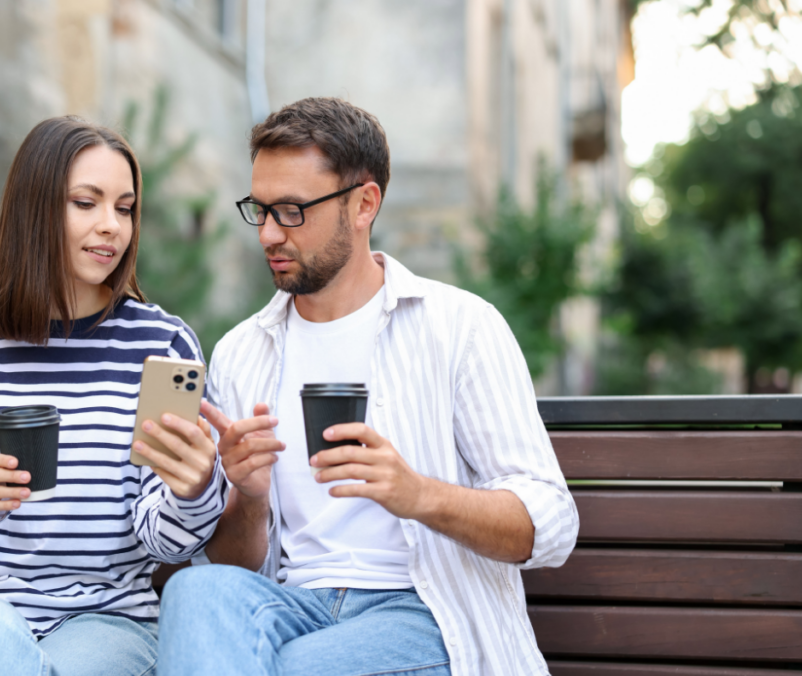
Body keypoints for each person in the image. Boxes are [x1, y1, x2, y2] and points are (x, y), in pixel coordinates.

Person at [156, 98, 579, 676]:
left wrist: (418, 494)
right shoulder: (241, 352)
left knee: (296, 667)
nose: (270, 234)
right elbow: (239, 563)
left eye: (293, 211)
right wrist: (248, 496)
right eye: (261, 210)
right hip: (295, 604)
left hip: (425, 611)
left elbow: (551, 523)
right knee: (196, 594)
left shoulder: (459, 327)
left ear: (364, 204)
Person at [0, 116, 226, 676]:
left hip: (112, 621)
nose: (111, 227)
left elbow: (165, 542)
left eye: (124, 208)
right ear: (35, 208)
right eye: (86, 203)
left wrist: (195, 491)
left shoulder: (162, 346)